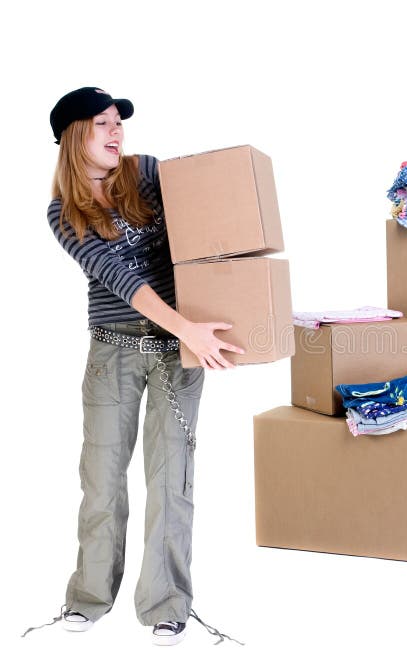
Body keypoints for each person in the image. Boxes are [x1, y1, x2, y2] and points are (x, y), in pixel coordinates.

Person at [44, 86, 244, 646]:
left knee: (170, 477)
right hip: (114, 352)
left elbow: (207, 219)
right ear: (71, 137)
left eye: (118, 123)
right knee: (102, 479)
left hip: (180, 348)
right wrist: (188, 328)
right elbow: (119, 279)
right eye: (101, 124)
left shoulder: (148, 173)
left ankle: (166, 604)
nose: (115, 133)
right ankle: (88, 597)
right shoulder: (63, 211)